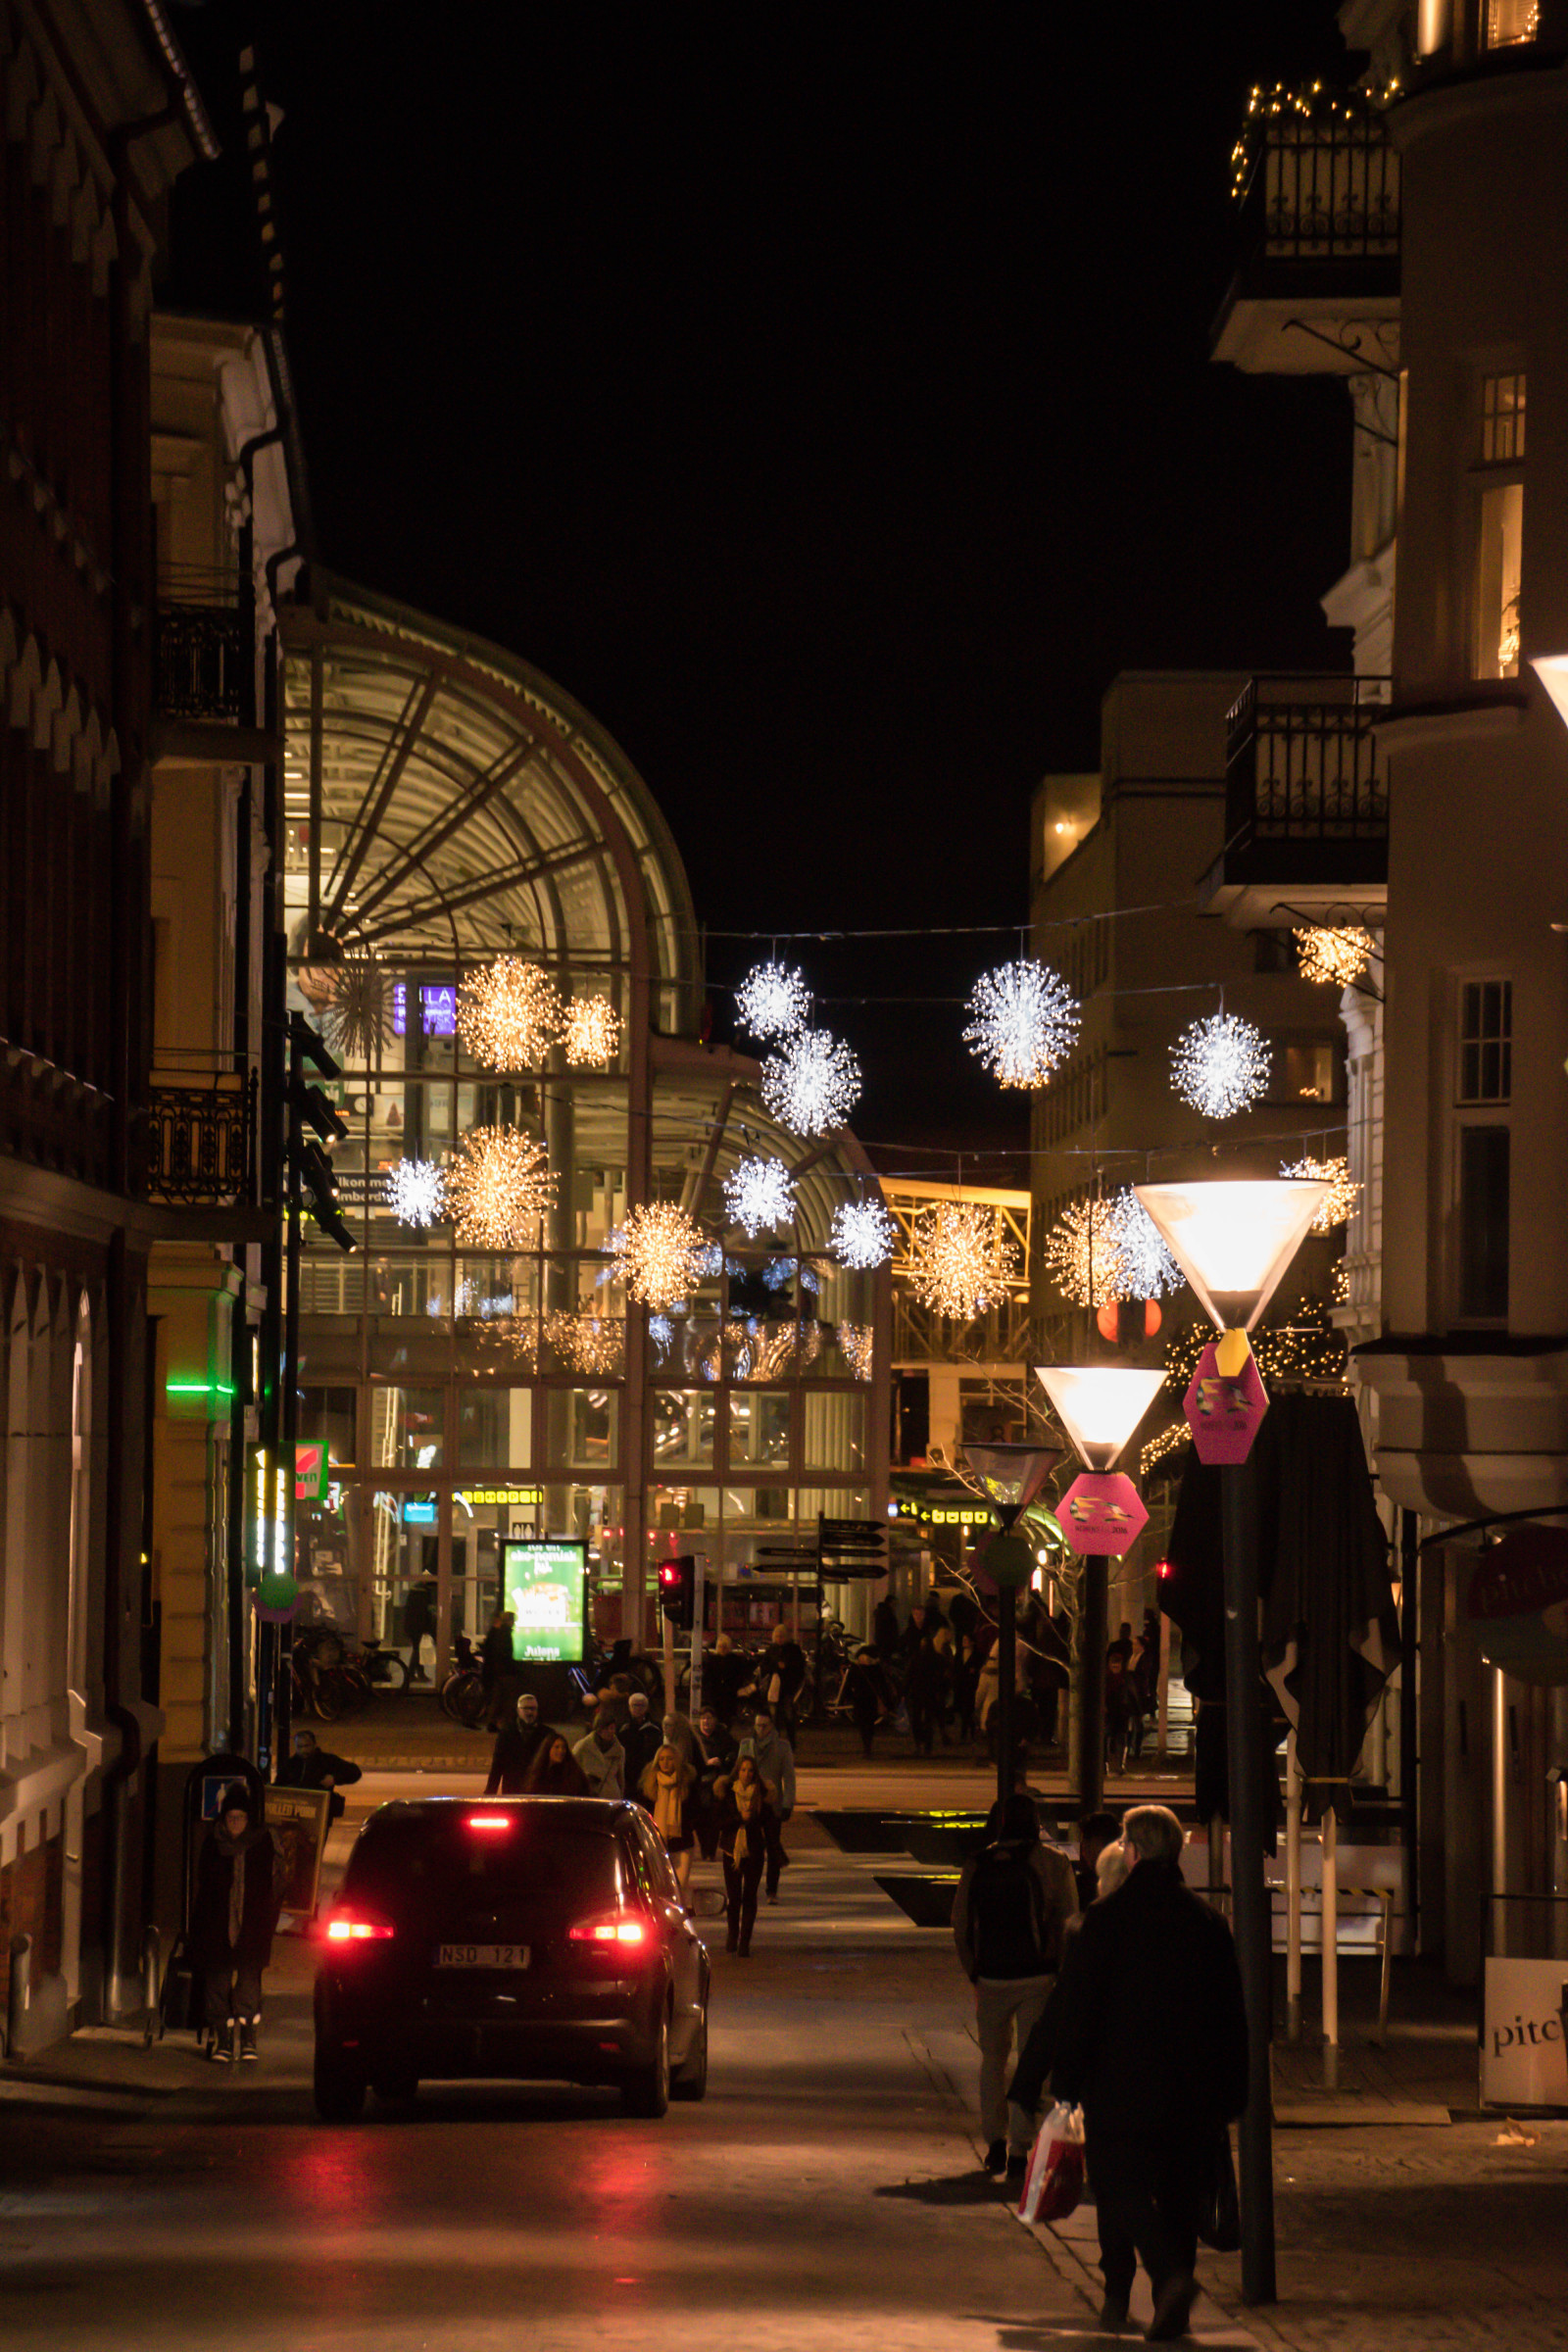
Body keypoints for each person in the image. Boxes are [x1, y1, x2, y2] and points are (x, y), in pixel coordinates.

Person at [1051, 1804, 1249, 2341]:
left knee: (1117, 2182)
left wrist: (1065, 2084)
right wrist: (1234, 2089)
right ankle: (1173, 2304)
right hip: (1193, 2088)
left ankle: (1168, 2276)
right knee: (1182, 2195)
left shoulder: (1105, 1921)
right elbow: (1232, 2012)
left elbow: (1081, 2008)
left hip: (1122, 2083)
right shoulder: (1207, 1923)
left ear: (1132, 1852)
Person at [952, 1789, 1079, 2179]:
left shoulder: (978, 1862)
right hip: (1038, 1976)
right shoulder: (1053, 1862)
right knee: (1031, 2063)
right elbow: (1069, 1921)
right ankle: (1021, 2147)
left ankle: (994, 2142)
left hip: (991, 1977)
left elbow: (959, 1924)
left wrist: (974, 1970)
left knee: (992, 2060)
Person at [1006, 1838, 1132, 2151]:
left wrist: (1029, 2079)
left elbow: (1064, 2010)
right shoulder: (1182, 1922)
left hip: (1104, 2071)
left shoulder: (1090, 1931)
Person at [189, 1786, 284, 2064]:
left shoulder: (264, 1841)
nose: (235, 1823)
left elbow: (277, 1882)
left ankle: (248, 2038)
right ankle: (224, 2038)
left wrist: (269, 1917)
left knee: (248, 1984)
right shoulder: (212, 1842)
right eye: (231, 1817)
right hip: (217, 1928)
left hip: (253, 1927)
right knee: (217, 1983)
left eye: (241, 1817)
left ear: (249, 1819)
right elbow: (203, 1885)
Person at [714, 1753, 773, 1955]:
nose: (747, 1774)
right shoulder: (728, 1793)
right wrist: (740, 1818)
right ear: (737, 1772)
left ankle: (745, 1942)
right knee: (734, 1897)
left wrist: (774, 1849)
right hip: (732, 1851)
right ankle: (732, 1935)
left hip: (754, 1852)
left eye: (750, 1770)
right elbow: (720, 1822)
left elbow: (769, 1824)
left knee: (750, 1897)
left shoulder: (762, 1795)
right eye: (743, 1770)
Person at [749, 1707, 795, 1900]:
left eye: (764, 1726)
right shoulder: (747, 1745)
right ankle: (750, 1887)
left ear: (772, 1726)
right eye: (758, 1725)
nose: (761, 1729)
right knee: (752, 1848)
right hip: (751, 1803)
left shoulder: (782, 1747)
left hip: (773, 1804)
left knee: (773, 1845)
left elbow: (789, 1777)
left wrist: (788, 1804)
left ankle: (772, 1890)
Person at [639, 1741, 697, 1897]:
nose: (665, 1763)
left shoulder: (686, 1783)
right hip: (657, 1844)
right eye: (662, 1759)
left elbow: (695, 1811)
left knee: (680, 1888)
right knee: (660, 1889)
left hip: (682, 1842)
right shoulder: (650, 1785)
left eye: (670, 1759)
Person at [274, 1727, 363, 1823]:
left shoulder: (327, 1760)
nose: (303, 1750)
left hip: (319, 1814)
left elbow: (354, 1772)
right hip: (294, 1813)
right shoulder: (290, 1764)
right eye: (300, 1747)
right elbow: (278, 1786)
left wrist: (335, 1779)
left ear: (314, 1745)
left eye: (306, 1746)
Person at [484, 1690, 554, 1795]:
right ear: (518, 1710)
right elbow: (497, 1766)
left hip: (538, 1791)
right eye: (526, 1708)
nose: (530, 1712)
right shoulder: (506, 1734)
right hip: (513, 1790)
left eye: (533, 1709)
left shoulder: (547, 1734)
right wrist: (490, 1792)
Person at [692, 1704, 738, 1860]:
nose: (706, 1722)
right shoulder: (695, 1738)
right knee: (700, 1820)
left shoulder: (724, 1737)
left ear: (715, 1721)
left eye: (709, 1718)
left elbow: (733, 1753)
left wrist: (725, 1761)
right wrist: (706, 1763)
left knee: (714, 1819)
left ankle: (710, 1851)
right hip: (700, 1785)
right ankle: (705, 1848)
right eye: (703, 1718)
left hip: (717, 1784)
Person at [1073, 1810, 1124, 1910]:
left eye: (1085, 1842)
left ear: (1097, 1842)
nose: (1083, 1849)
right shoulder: (1129, 1878)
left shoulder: (1084, 1884)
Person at [844, 1644, 887, 1758]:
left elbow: (848, 1684)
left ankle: (866, 1747)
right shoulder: (876, 1668)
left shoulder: (856, 1667)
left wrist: (847, 1697)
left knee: (862, 1724)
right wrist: (887, 1701)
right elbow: (883, 1685)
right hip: (871, 1699)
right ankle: (868, 1746)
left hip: (859, 1698)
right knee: (870, 1724)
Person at [573, 1709, 625, 1797]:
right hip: (589, 1795)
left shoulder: (619, 1750)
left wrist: (621, 1795)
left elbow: (620, 1778)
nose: (611, 1731)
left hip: (611, 1796)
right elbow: (572, 1767)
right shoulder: (583, 1746)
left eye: (612, 1728)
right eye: (607, 1728)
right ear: (599, 1729)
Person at [619, 1690, 662, 1793]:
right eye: (635, 1705)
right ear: (629, 1707)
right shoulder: (623, 1728)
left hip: (648, 1772)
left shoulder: (655, 1728)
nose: (638, 1708)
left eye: (641, 1705)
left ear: (646, 1708)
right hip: (628, 1774)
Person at [522, 1731, 591, 1795]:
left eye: (563, 1747)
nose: (561, 1751)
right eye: (557, 1747)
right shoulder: (538, 1772)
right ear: (548, 1749)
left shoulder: (572, 1772)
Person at [480, 1609, 517, 1727]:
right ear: (509, 1621)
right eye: (513, 1621)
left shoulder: (497, 1632)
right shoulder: (505, 1634)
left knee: (497, 1698)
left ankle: (492, 1722)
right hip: (504, 1671)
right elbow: (504, 1653)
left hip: (497, 1671)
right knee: (507, 1699)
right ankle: (504, 1724)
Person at [403, 1575, 438, 1681]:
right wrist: (428, 1627)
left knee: (417, 1650)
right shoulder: (423, 1593)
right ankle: (413, 1674)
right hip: (419, 1627)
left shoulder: (415, 1591)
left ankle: (416, 1674)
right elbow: (425, 1612)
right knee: (418, 1651)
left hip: (412, 1626)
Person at [872, 1591, 900, 1660]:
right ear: (890, 1603)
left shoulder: (880, 1613)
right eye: (894, 1604)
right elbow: (892, 1631)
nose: (895, 1607)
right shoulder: (888, 1615)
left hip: (881, 1643)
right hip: (887, 1645)